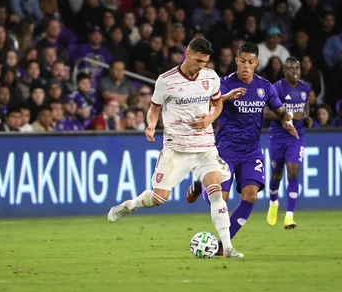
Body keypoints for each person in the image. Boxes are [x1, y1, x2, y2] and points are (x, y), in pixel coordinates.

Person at [107, 38, 245, 258]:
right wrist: (151, 126)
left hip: (205, 148)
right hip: (177, 149)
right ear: (187, 53)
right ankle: (130, 205)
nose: (201, 65)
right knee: (159, 199)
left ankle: (227, 248)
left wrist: (209, 119)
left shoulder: (210, 77)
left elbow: (217, 103)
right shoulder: (166, 81)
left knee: (217, 194)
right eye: (199, 60)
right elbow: (154, 109)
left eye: (205, 61)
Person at [184, 43, 296, 254]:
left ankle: (222, 247)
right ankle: (202, 183)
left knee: (251, 196)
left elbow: (280, 110)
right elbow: (207, 106)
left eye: (250, 62)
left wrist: (287, 121)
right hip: (225, 149)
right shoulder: (224, 84)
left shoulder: (265, 87)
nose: (246, 66)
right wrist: (225, 98)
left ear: (256, 63)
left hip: (251, 151)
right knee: (221, 199)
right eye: (242, 61)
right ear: (236, 60)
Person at [261, 57, 312, 229]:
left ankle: (289, 216)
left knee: (293, 170)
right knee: (276, 174)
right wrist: (289, 114)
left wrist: (306, 118)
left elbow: (305, 109)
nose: (294, 71)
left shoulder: (305, 88)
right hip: (277, 136)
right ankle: (274, 201)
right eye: (290, 69)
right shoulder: (277, 88)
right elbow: (266, 113)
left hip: (296, 137)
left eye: (296, 68)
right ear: (284, 71)